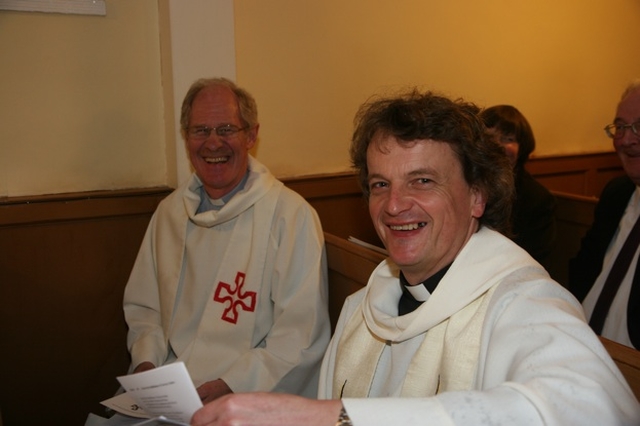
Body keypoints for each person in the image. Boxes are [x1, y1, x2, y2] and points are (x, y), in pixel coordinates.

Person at [191, 89, 640, 426]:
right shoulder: (360, 309)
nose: (394, 204)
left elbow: (591, 409)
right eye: (380, 184)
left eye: (422, 181)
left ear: (477, 196)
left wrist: (337, 416)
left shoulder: (523, 301)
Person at [122, 77, 331, 403]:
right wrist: (147, 368)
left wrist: (226, 388)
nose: (213, 143)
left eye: (226, 130)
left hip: (246, 396)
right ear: (186, 138)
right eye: (200, 130)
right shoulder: (169, 213)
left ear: (251, 135)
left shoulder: (291, 218)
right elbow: (145, 310)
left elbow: (298, 339)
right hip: (169, 391)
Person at [569, 80, 640, 349]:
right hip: (580, 343)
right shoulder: (616, 194)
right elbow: (582, 270)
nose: (626, 140)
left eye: (639, 127)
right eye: (620, 127)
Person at [480, 104, 556, 266]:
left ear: (522, 148)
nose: (498, 145)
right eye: (490, 137)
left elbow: (533, 259)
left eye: (508, 139)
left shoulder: (537, 199)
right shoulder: (467, 183)